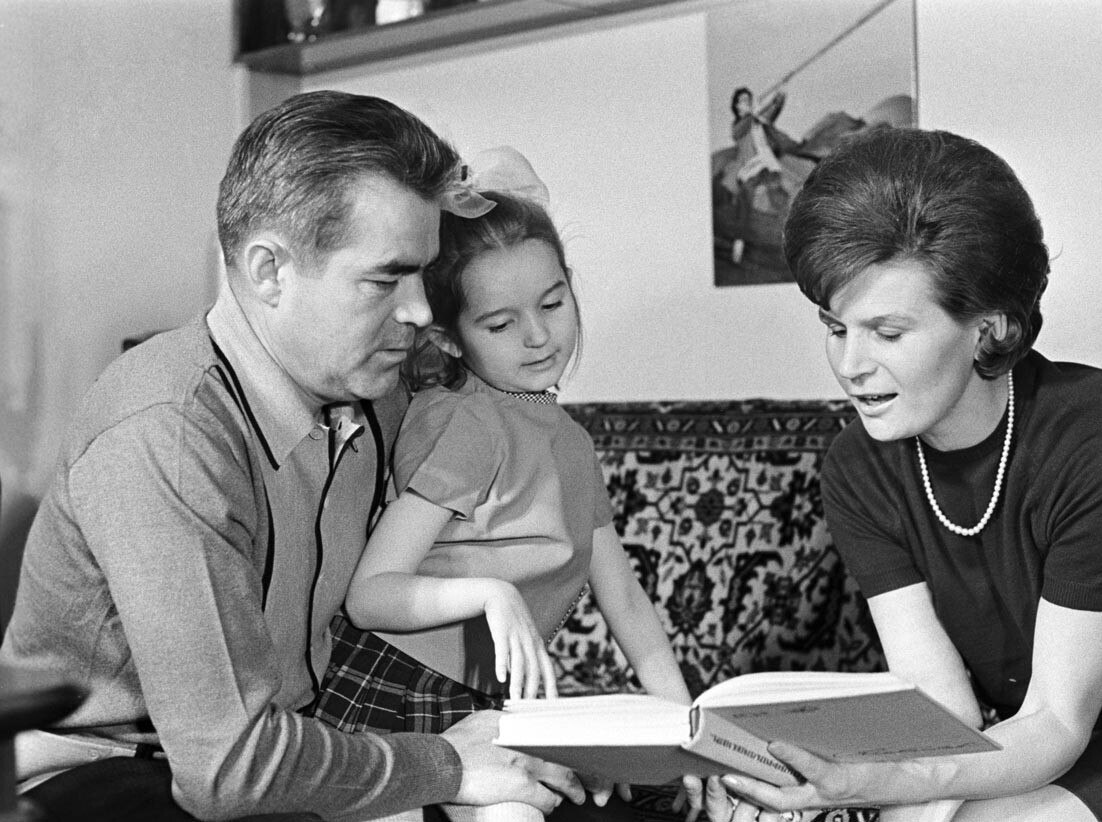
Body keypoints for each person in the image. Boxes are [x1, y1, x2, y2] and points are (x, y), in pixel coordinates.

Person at [0, 91, 584, 822]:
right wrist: (448, 763)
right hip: (107, 771)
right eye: (384, 279)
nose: (421, 311)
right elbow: (227, 769)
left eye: (424, 275)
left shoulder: (377, 390)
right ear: (268, 270)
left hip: (307, 749)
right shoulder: (167, 435)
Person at [701, 127, 1102, 822]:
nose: (849, 366)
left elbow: (1057, 722)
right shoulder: (856, 465)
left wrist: (874, 785)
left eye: (888, 332)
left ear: (989, 328)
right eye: (835, 327)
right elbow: (938, 703)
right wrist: (794, 775)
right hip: (1004, 741)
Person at [309, 150, 696, 821]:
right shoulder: (467, 424)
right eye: (500, 323)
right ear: (451, 340)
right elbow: (372, 597)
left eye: (553, 302)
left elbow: (626, 602)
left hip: (493, 703)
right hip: (395, 689)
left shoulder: (568, 439)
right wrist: (490, 594)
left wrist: (690, 735)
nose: (540, 334)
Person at [724, 87, 811, 265]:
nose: (748, 102)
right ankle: (737, 254)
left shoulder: (759, 122)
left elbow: (774, 109)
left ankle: (796, 244)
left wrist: (780, 95)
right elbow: (740, 129)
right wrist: (756, 109)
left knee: (793, 193)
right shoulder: (739, 126)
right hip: (750, 171)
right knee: (744, 211)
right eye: (743, 100)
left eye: (749, 99)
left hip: (770, 168)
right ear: (737, 106)